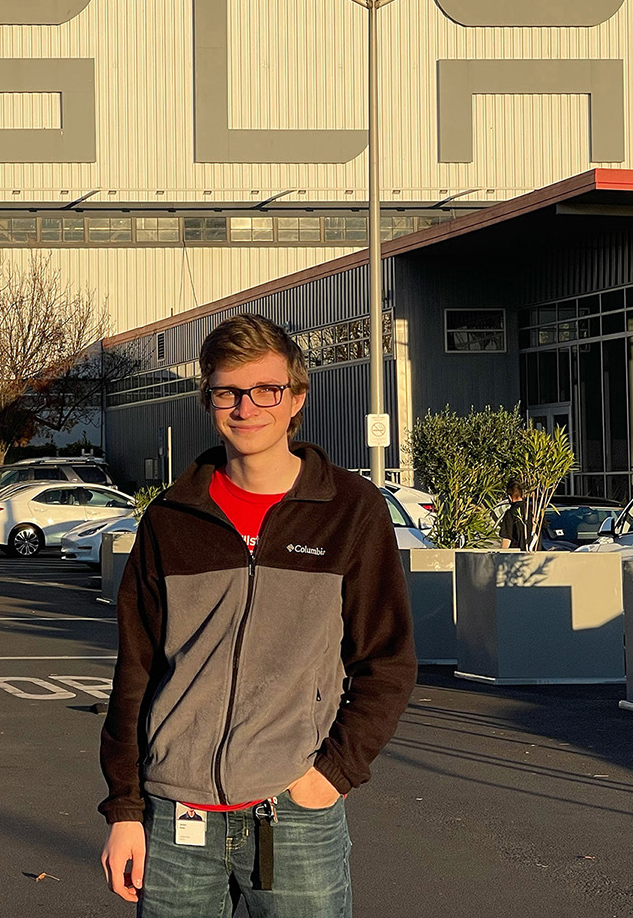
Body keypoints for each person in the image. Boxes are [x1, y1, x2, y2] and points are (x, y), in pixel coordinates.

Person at [99, 313, 417, 918]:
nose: (247, 407)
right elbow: (135, 673)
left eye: (266, 390)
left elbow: (387, 662)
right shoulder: (172, 519)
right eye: (228, 392)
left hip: (294, 814)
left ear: (296, 398)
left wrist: (332, 773)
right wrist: (125, 809)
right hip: (174, 819)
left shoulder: (349, 510)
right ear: (209, 400)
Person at [499, 482, 529, 550]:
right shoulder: (533, 510)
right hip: (536, 553)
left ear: (509, 497)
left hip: (517, 554)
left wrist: (502, 555)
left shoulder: (510, 513)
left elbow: (507, 537)